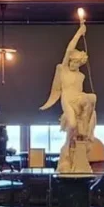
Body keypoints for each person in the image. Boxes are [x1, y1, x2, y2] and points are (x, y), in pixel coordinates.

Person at [40, 16, 97, 174]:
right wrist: (80, 31)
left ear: (79, 64)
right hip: (67, 99)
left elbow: (87, 96)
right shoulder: (63, 69)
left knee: (92, 97)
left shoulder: (81, 76)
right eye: (71, 62)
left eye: (75, 63)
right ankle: (68, 146)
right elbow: (69, 47)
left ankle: (84, 127)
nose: (72, 65)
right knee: (72, 124)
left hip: (78, 97)